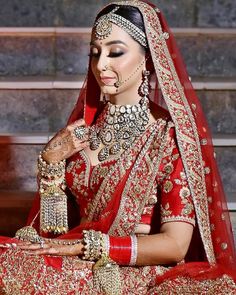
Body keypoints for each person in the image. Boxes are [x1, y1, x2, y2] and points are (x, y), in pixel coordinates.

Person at [0, 1, 235, 294]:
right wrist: (50, 163)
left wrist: (89, 247)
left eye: (115, 52)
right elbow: (53, 232)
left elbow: (175, 245)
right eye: (96, 53)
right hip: (75, 260)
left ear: (148, 59)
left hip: (131, 268)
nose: (100, 65)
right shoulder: (82, 132)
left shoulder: (170, 137)